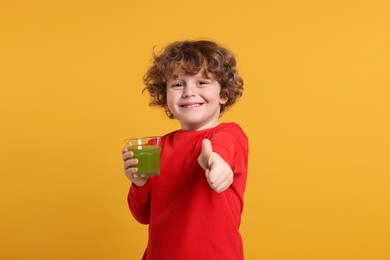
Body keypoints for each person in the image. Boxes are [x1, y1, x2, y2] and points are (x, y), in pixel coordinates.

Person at [122, 40, 249, 260]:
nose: (189, 92)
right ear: (164, 95)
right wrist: (139, 183)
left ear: (223, 94)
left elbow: (221, 150)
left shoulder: (230, 134)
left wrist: (216, 163)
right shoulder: (156, 148)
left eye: (201, 82)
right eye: (178, 84)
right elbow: (143, 215)